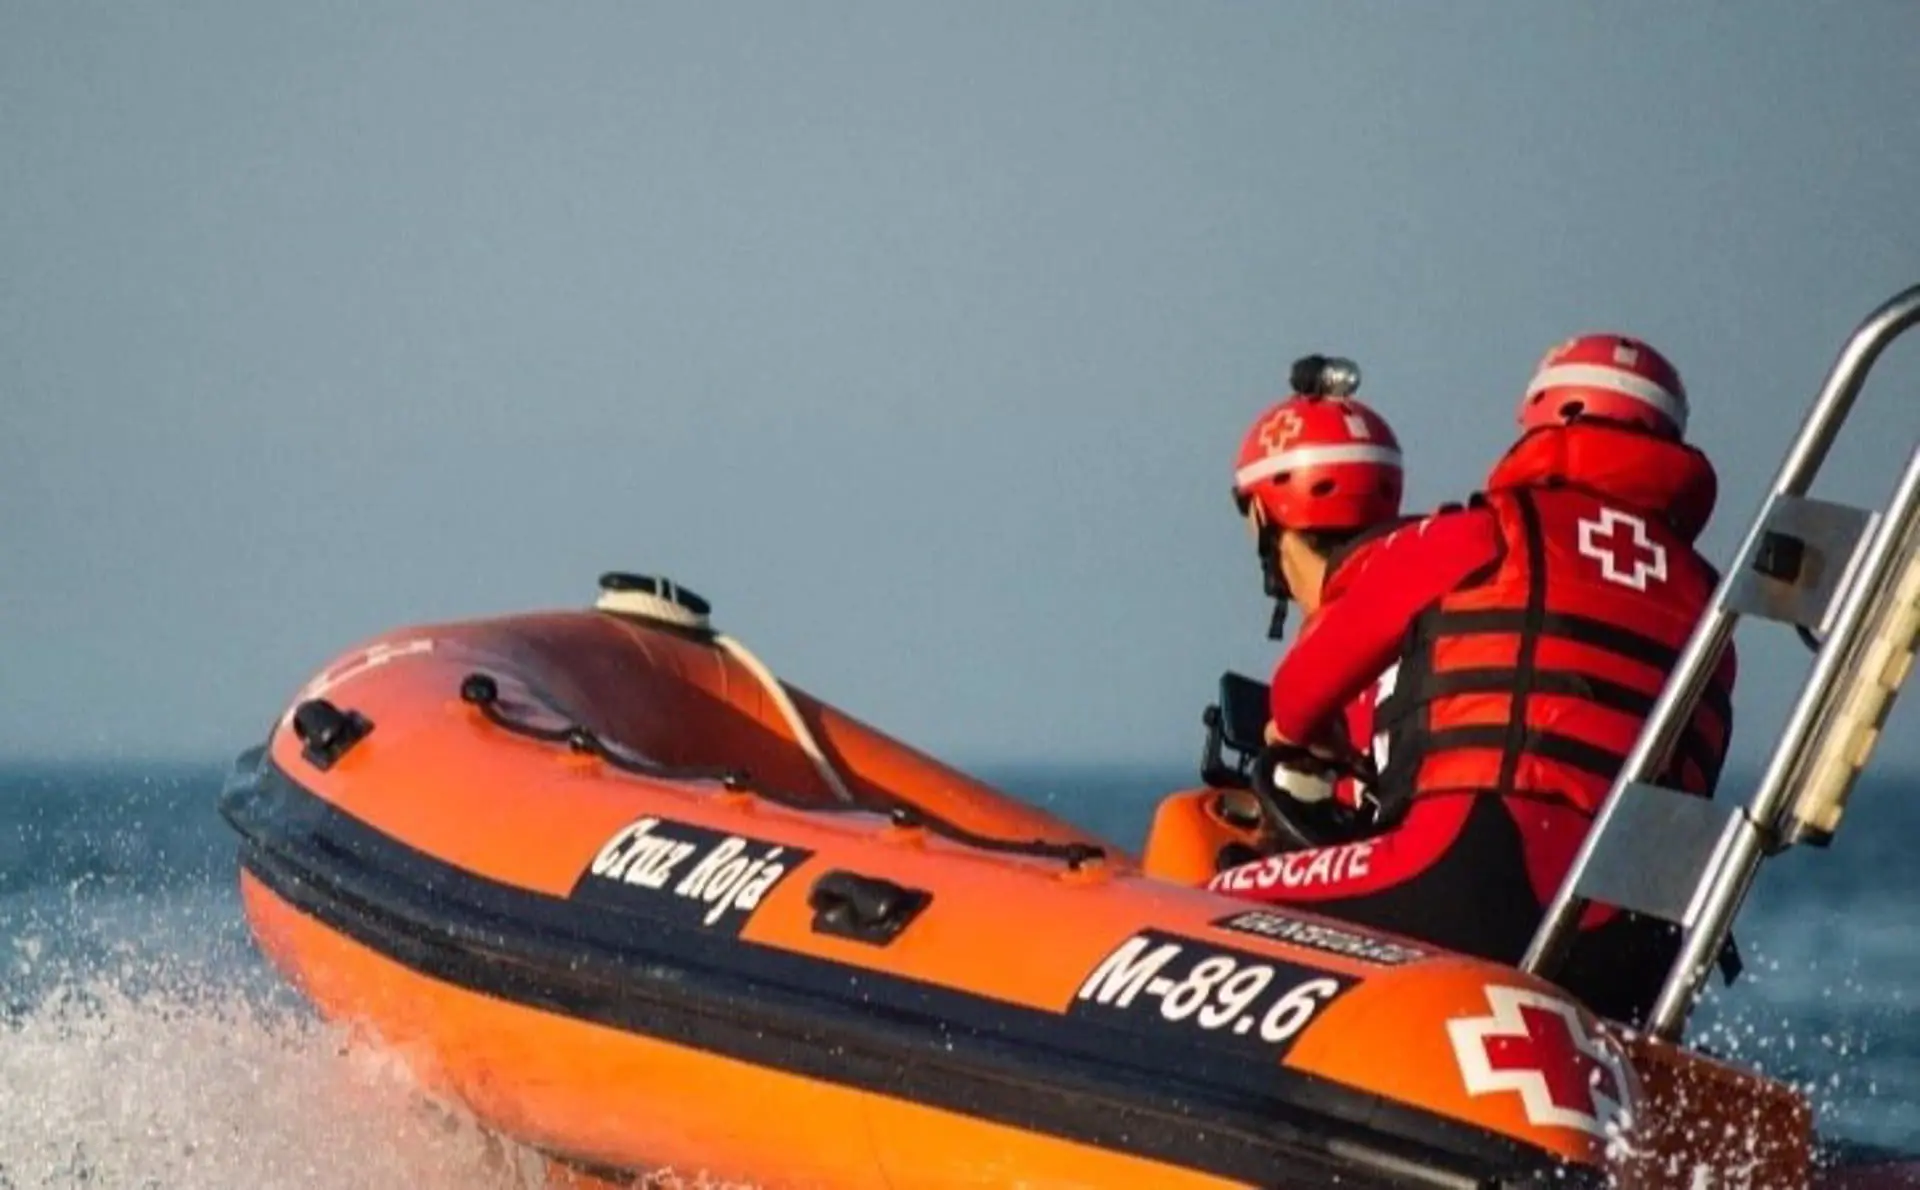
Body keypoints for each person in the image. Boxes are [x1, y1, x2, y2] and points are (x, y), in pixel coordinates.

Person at [1207, 333, 1737, 1026]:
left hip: (1476, 880)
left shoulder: (1482, 535)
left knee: (1206, 908)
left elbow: (1298, 696)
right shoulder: (1713, 613)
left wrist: (1304, 734)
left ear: (1544, 419)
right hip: (1632, 950)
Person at [1141, 356, 1408, 883]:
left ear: (1261, 516)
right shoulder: (1443, 608)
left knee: (1186, 829)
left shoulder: (1337, 648)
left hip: (1387, 890)